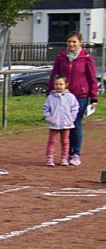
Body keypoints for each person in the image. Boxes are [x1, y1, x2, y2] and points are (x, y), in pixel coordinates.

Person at [48, 31, 98, 166]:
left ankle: (75, 153)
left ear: (80, 43)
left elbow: (92, 79)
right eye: (69, 41)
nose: (71, 44)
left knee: (75, 123)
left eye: (74, 42)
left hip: (80, 95)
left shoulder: (86, 58)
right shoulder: (61, 57)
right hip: (62, 96)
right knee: (63, 125)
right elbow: (54, 75)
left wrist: (94, 98)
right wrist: (49, 93)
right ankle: (65, 154)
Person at [43, 75, 79, 166]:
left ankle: (64, 158)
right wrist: (50, 119)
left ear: (66, 85)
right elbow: (46, 109)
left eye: (61, 84)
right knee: (51, 141)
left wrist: (71, 118)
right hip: (54, 124)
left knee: (65, 142)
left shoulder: (71, 97)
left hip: (66, 124)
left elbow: (75, 108)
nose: (58, 86)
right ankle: (50, 158)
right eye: (56, 84)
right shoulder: (50, 97)